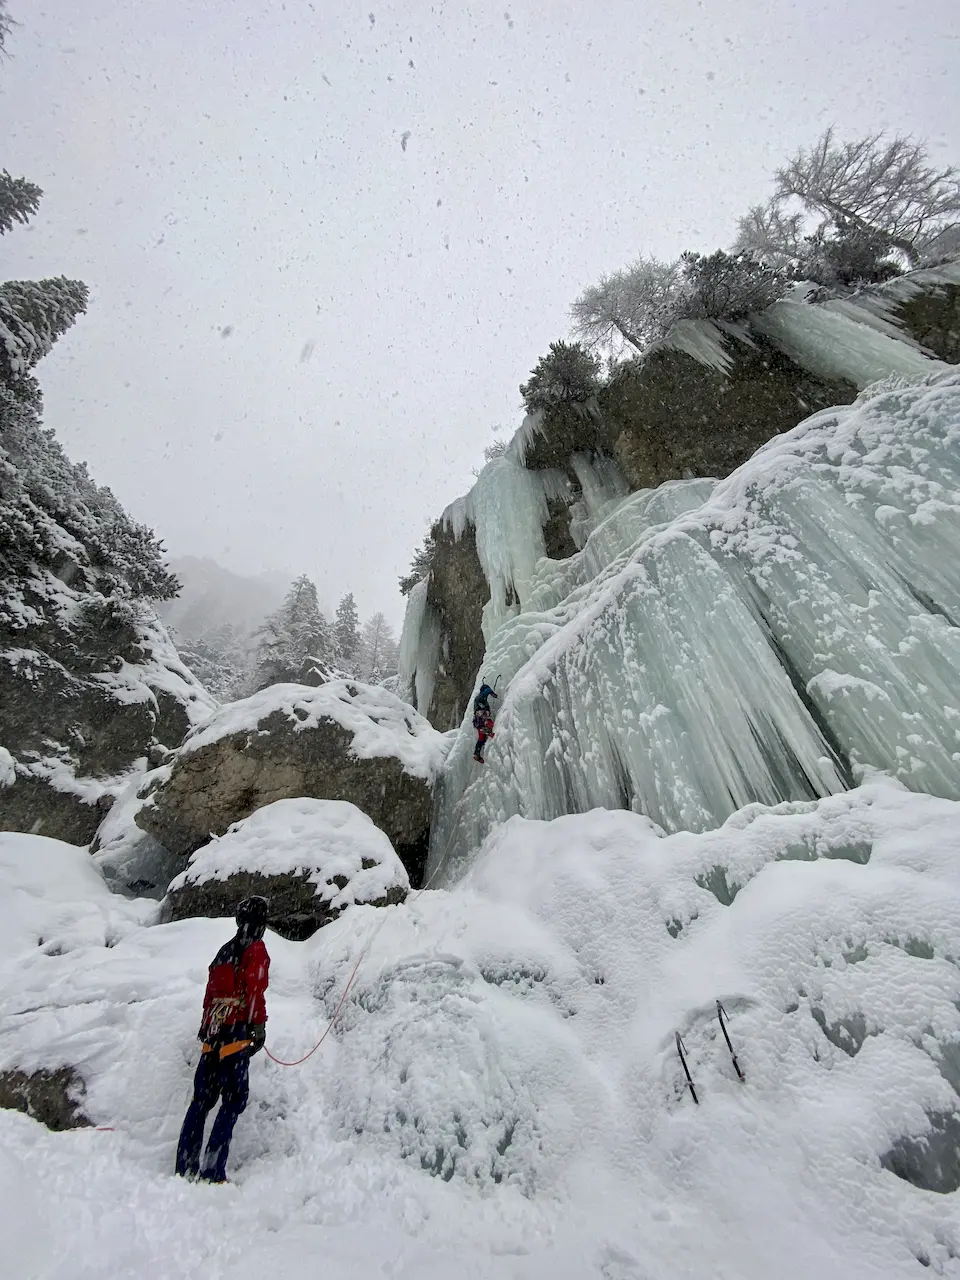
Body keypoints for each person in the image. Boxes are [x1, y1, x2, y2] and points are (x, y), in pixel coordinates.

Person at [175, 896, 271, 1183]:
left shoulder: (224, 951)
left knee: (201, 1102)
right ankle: (212, 1169)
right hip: (236, 1034)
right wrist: (258, 1026)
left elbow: (209, 996)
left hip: (213, 1034)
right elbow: (255, 990)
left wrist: (207, 1030)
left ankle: (185, 1165)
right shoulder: (256, 949)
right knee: (233, 1100)